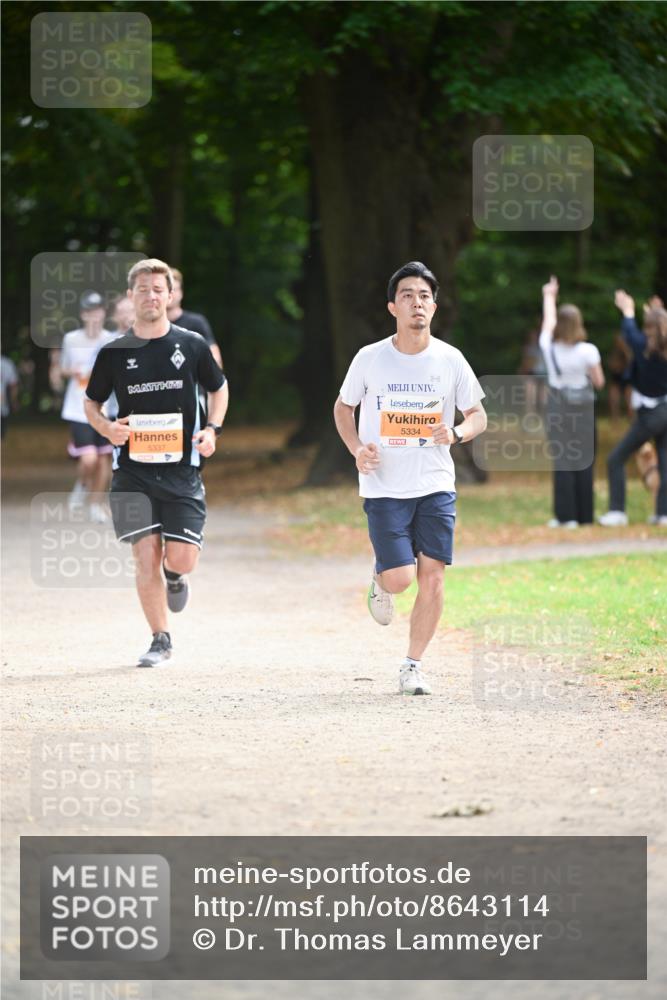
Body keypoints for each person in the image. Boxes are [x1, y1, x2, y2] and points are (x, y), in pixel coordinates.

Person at [333, 261, 487, 696]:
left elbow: (477, 415)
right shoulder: (370, 358)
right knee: (401, 578)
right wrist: (357, 450)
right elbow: (343, 409)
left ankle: (412, 665)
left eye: (423, 296)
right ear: (392, 307)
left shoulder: (450, 359)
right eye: (407, 295)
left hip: (436, 483)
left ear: (433, 307)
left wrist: (456, 432)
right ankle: (381, 580)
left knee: (433, 574)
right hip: (384, 486)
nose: (416, 302)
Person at [84, 259, 228, 668]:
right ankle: (160, 639)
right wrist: (106, 428)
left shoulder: (192, 343)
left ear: (170, 295)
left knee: (180, 558)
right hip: (132, 471)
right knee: (145, 553)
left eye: (157, 289)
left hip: (182, 470)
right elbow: (91, 402)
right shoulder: (113, 353)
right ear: (131, 297)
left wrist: (212, 430)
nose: (150, 295)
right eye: (142, 289)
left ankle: (176, 576)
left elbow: (219, 388)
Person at [539, 276, 605, 528]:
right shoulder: (588, 351)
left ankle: (565, 517)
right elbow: (599, 382)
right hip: (583, 410)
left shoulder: (549, 347)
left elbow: (548, 323)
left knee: (562, 459)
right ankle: (585, 515)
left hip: (557, 406)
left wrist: (549, 296)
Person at [598, 290, 667, 526]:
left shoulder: (642, 347)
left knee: (616, 458)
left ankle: (617, 511)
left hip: (651, 415)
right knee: (665, 460)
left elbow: (629, 331)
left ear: (648, 328)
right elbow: (657, 329)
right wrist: (656, 314)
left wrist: (628, 310)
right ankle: (663, 513)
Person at [51, 291, 117, 520]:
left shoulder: (111, 338)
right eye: (89, 311)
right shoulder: (71, 339)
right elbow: (62, 369)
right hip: (77, 408)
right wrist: (73, 372)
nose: (94, 316)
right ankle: (82, 485)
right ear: (82, 314)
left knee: (104, 460)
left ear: (103, 313)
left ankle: (96, 505)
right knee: (89, 459)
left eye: (97, 311)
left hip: (105, 408)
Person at [167, 267, 223, 368]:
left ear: (181, 293)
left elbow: (215, 358)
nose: (171, 294)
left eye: (174, 289)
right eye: (167, 289)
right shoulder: (150, 327)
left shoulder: (196, 322)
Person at [1, 354, 19, 438]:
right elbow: (13, 384)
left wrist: (13, 401)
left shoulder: (6, 363)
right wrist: (13, 401)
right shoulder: (7, 363)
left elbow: (13, 385)